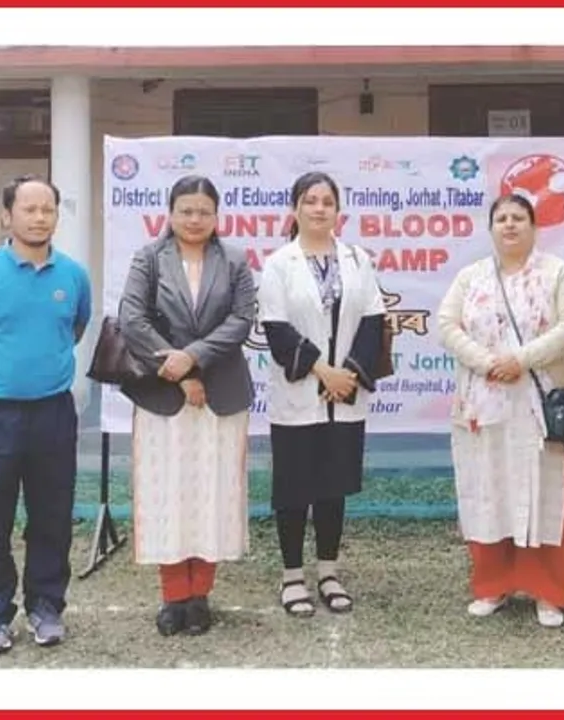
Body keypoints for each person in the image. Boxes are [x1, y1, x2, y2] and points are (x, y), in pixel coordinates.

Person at [0, 174, 92, 655]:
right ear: (8, 215)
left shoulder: (72, 276)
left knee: (52, 514)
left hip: (53, 413)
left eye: (48, 209)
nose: (40, 217)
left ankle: (47, 607)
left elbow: (76, 328)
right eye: (29, 209)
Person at [436, 193, 564, 629]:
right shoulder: (471, 276)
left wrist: (520, 359)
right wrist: (488, 363)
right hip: (484, 403)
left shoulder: (558, 273)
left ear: (534, 226)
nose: (509, 225)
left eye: (518, 217)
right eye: (501, 218)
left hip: (538, 404)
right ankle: (492, 585)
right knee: (489, 491)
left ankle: (549, 592)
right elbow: (447, 325)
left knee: (545, 496)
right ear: (491, 229)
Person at [117, 175, 256, 637]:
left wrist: (194, 357)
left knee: (212, 494)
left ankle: (200, 597)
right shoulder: (148, 259)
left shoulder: (234, 260)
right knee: (167, 493)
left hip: (223, 395)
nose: (194, 220)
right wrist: (180, 372)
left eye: (204, 212)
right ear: (169, 214)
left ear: (217, 216)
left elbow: (241, 321)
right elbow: (132, 319)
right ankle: (173, 596)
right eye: (186, 211)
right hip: (163, 395)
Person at [256, 171, 387, 617]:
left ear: (337, 210)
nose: (318, 208)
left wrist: (347, 375)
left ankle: (328, 571)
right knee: (293, 489)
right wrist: (322, 371)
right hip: (299, 395)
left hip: (344, 395)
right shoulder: (279, 264)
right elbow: (276, 328)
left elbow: (373, 322)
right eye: (309, 200)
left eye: (327, 201)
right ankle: (293, 576)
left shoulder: (357, 259)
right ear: (295, 208)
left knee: (333, 488)